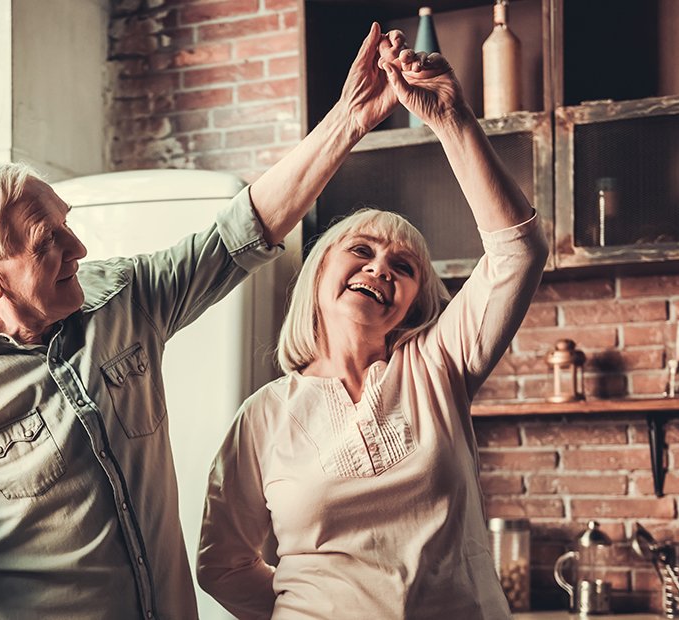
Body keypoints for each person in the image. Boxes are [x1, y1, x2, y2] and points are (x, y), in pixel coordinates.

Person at [0, 23, 412, 620]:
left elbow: (241, 233)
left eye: (68, 224)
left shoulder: (122, 296)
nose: (79, 249)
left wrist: (348, 119)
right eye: (49, 242)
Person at [195, 33, 549, 620]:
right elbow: (222, 563)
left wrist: (451, 118)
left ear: (411, 302)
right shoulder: (264, 415)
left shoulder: (437, 364)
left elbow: (517, 253)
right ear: (317, 274)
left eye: (403, 266)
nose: (380, 267)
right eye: (361, 250)